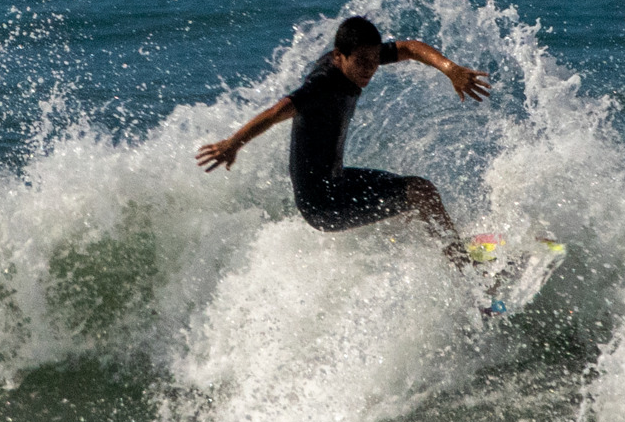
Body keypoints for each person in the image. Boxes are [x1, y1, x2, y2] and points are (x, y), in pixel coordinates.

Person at [195, 15, 490, 257]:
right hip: (322, 205)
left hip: (338, 180)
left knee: (415, 201)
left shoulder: (358, 58)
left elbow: (410, 48)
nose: (369, 69)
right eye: (361, 62)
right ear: (339, 56)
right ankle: (465, 268)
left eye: (374, 61)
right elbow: (276, 112)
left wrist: (450, 69)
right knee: (421, 191)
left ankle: (446, 253)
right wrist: (233, 144)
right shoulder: (322, 85)